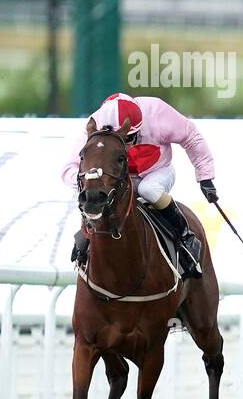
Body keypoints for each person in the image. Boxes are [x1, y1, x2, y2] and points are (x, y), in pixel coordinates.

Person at [61, 92, 216, 279]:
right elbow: (69, 169)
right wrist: (91, 181)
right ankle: (85, 242)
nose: (127, 147)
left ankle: (185, 236)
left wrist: (205, 176)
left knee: (147, 189)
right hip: (118, 179)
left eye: (130, 138)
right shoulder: (95, 124)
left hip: (157, 171)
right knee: (99, 197)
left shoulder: (157, 112)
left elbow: (191, 136)